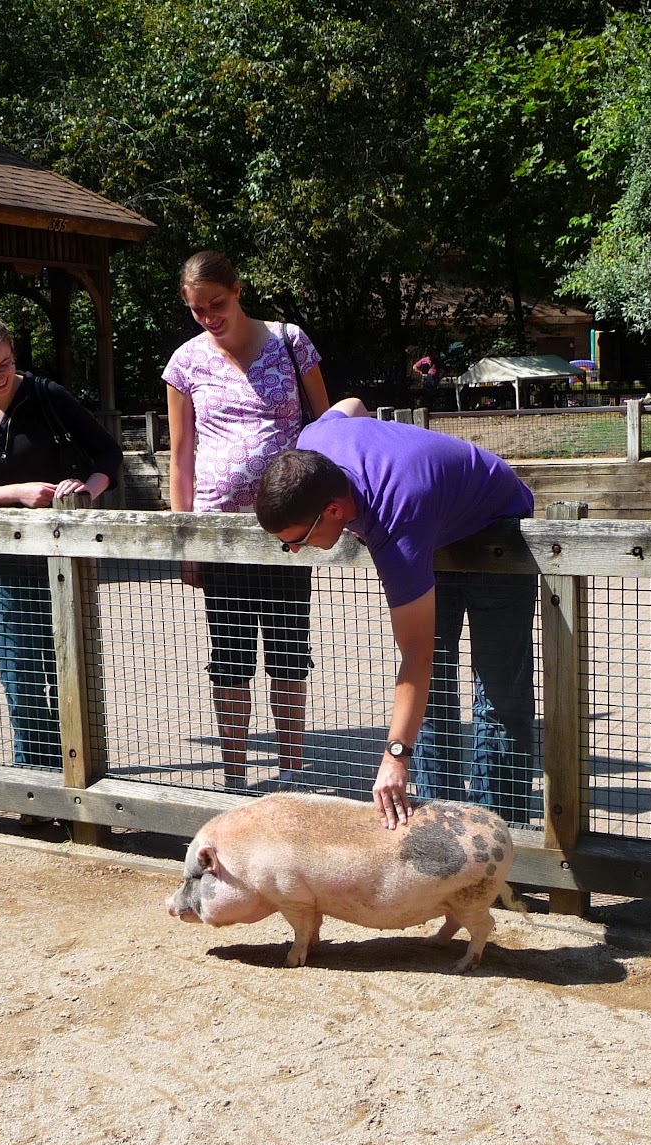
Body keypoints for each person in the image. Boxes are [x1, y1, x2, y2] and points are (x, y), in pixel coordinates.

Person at [255, 398, 537, 829]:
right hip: (433, 523)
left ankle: (494, 836)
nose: (294, 552)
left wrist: (394, 756)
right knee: (436, 690)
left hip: (495, 528)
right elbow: (351, 404)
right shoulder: (313, 443)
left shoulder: (395, 521)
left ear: (333, 511)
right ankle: (439, 835)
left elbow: (415, 655)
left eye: (297, 539)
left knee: (497, 693)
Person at [163, 251, 331, 790]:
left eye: (217, 303)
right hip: (220, 532)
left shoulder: (290, 340)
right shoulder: (185, 362)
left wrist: (329, 512)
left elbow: (328, 431)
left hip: (287, 526)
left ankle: (295, 769)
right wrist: (185, 539)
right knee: (229, 652)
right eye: (197, 310)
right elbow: (182, 454)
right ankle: (235, 774)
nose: (210, 316)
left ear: (238, 290)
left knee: (288, 646)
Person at [0, 310, 121, 769]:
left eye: (5, 364)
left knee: (65, 670)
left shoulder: (47, 395)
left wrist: (88, 489)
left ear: (13, 353)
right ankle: (35, 775)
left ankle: (75, 770)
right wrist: (17, 493)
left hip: (61, 555)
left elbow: (107, 451)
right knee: (19, 675)